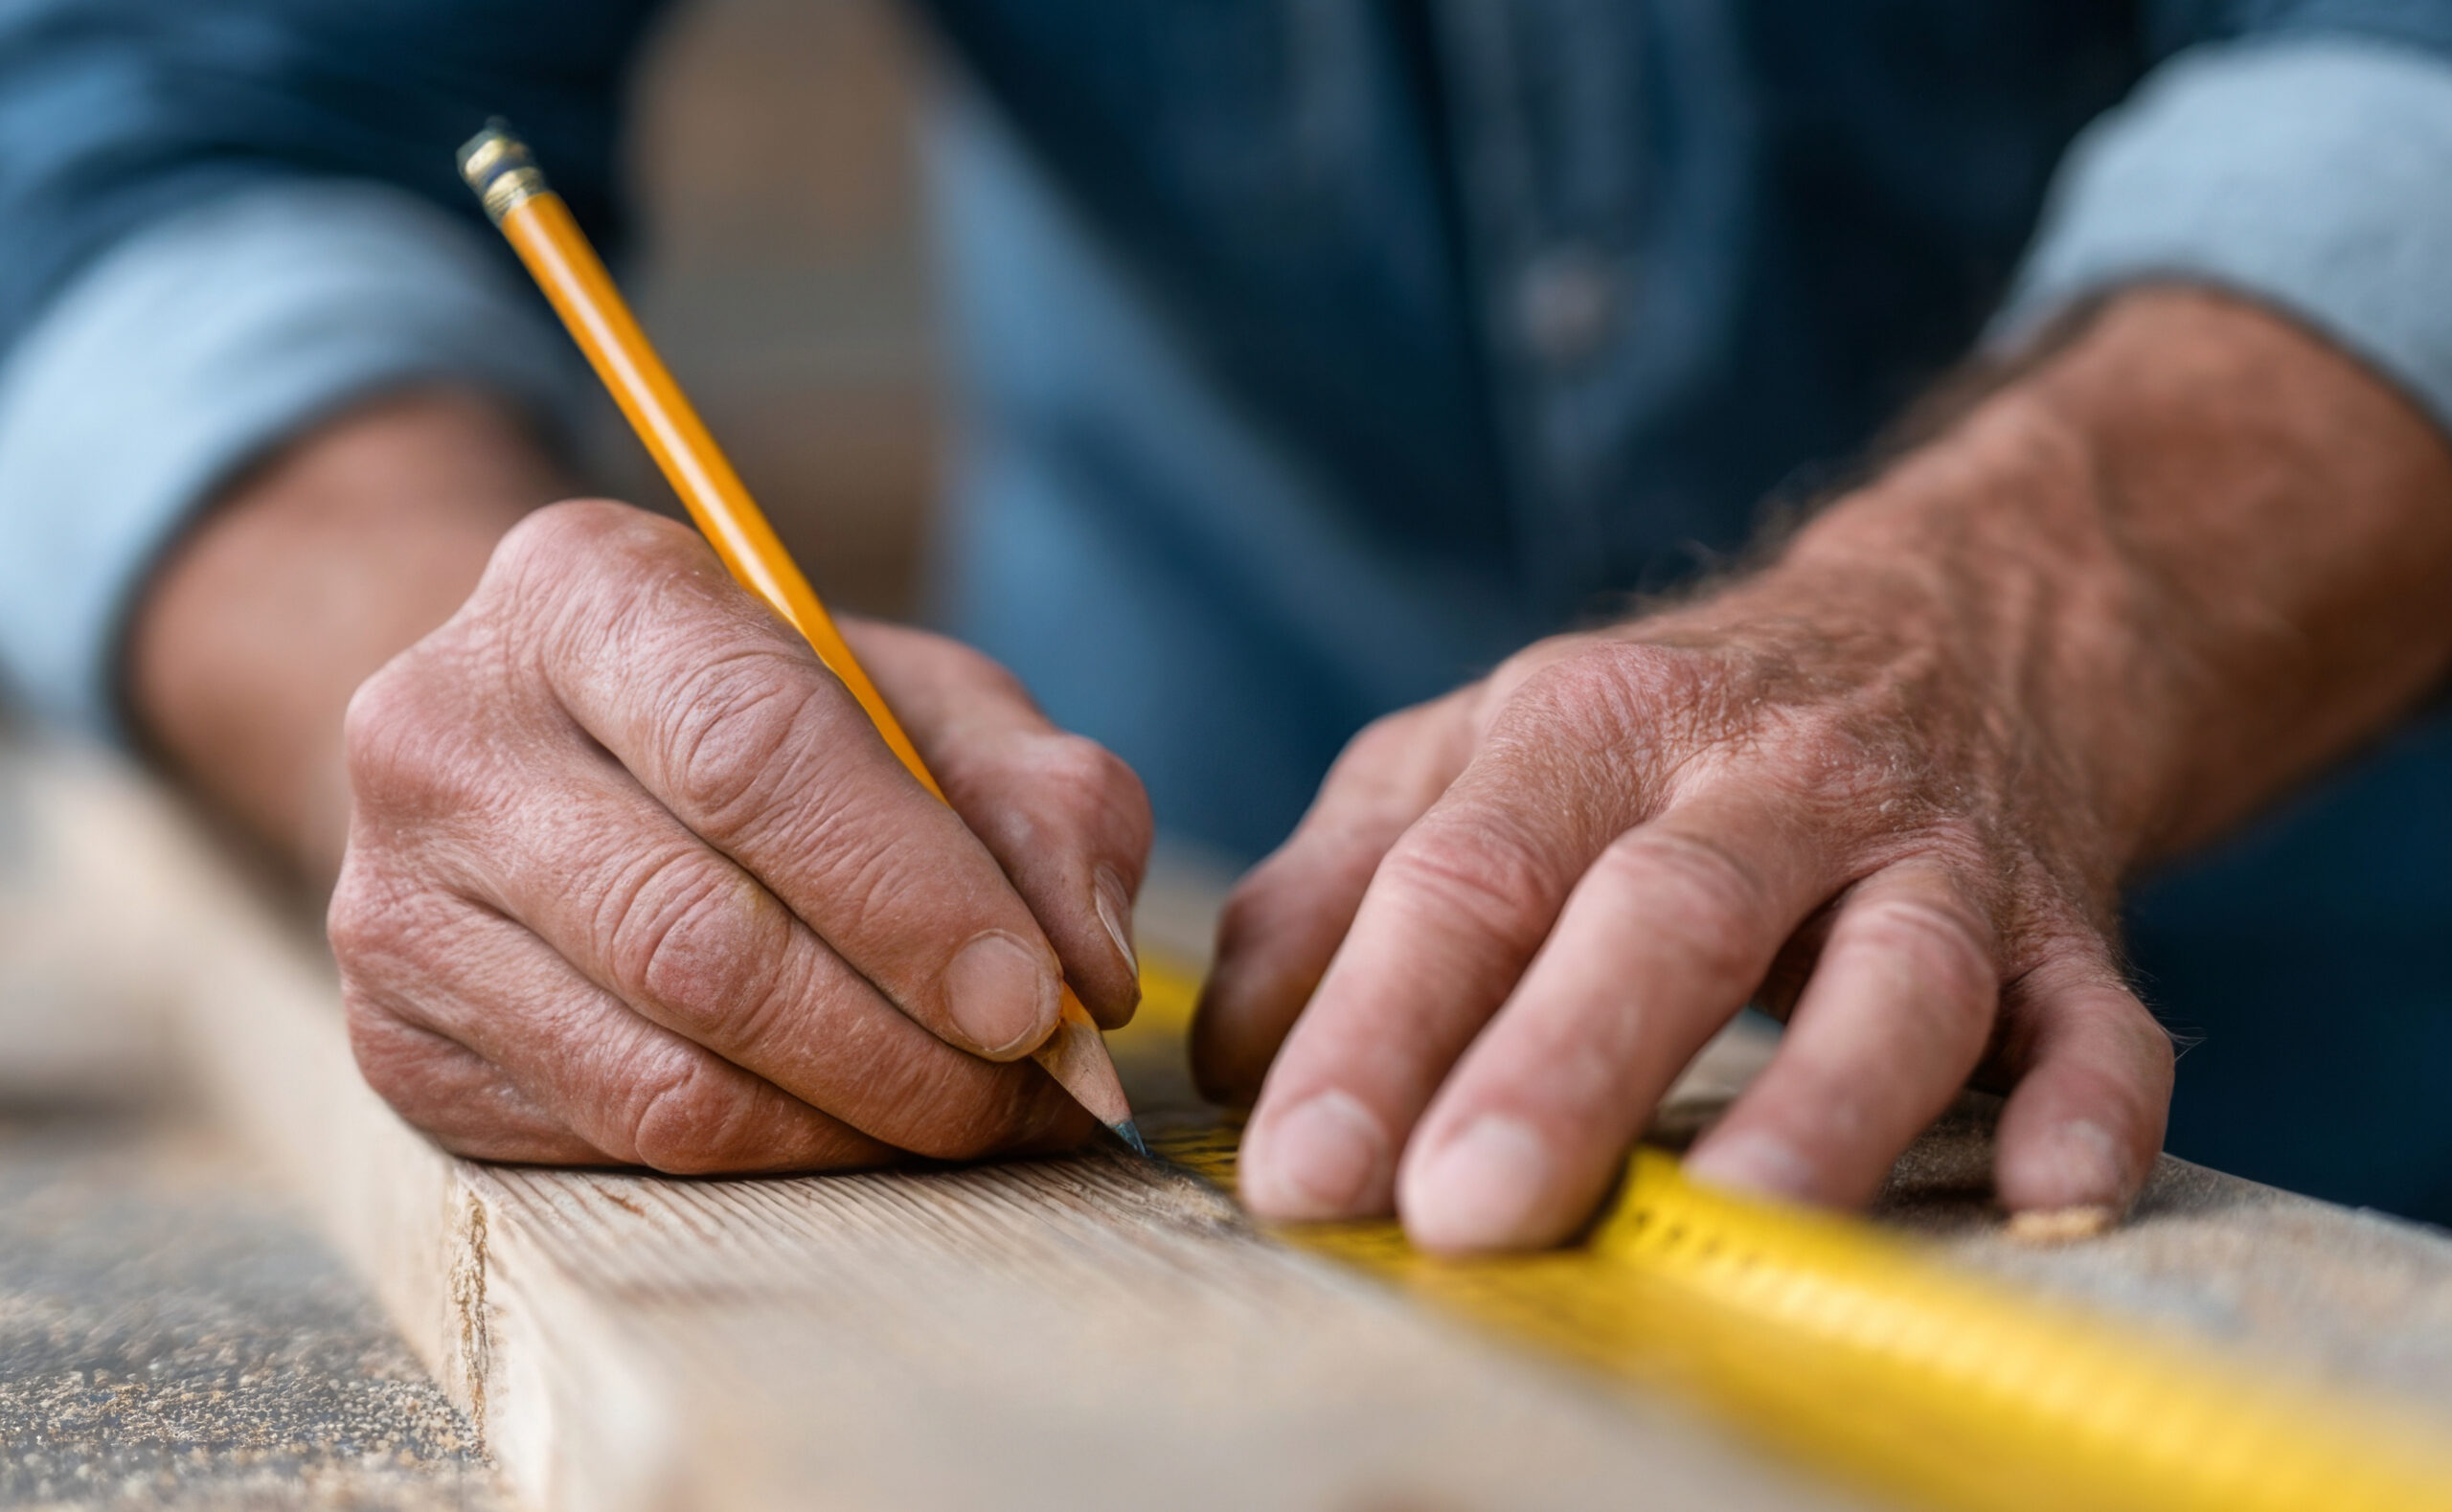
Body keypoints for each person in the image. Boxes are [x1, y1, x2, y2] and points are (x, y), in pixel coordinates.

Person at [3, 3, 2450, 1254]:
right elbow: (169, 144)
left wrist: (1994, 630)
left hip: (2328, 992)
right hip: (1175, 999)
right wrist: (526, 708)